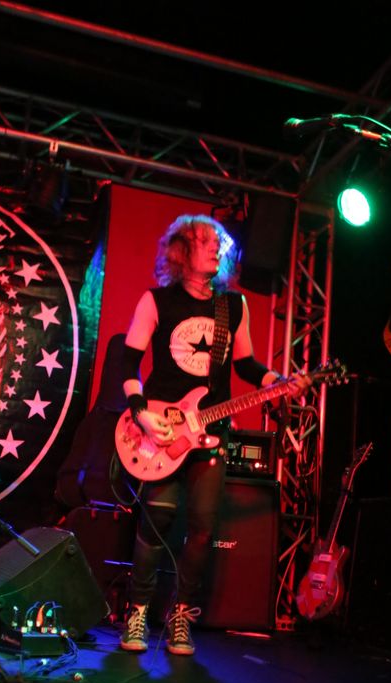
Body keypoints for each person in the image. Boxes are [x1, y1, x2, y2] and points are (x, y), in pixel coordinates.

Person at [120, 214, 310, 656]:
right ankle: (137, 613)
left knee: (203, 529)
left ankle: (181, 617)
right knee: (156, 521)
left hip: (210, 433)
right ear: (181, 250)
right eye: (205, 240)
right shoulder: (155, 301)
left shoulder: (233, 306)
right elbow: (126, 363)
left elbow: (246, 366)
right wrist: (141, 413)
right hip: (162, 428)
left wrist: (278, 382)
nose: (215, 248)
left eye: (218, 242)